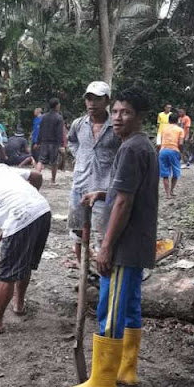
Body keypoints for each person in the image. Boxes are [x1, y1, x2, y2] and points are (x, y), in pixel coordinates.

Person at [65, 87, 158, 387]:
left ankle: (103, 379)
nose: (118, 117)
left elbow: (124, 204)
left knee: (111, 308)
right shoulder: (141, 146)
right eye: (116, 111)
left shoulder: (130, 149)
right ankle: (126, 369)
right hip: (139, 241)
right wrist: (102, 194)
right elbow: (127, 191)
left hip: (125, 244)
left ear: (140, 117)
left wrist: (105, 247)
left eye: (125, 112)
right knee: (130, 305)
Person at [0, 156, 50, 334]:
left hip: (20, 216)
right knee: (26, 263)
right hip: (42, 209)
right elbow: (36, 176)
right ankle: (19, 304)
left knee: (7, 272)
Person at [67, 81, 121, 266]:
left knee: (103, 233)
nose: (92, 103)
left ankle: (102, 271)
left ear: (107, 101)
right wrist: (80, 156)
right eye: (89, 99)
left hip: (104, 189)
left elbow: (124, 150)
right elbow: (72, 142)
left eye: (97, 99)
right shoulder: (78, 124)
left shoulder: (116, 126)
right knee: (78, 231)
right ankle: (84, 269)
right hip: (80, 186)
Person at [36, 98, 64, 184]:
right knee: (54, 162)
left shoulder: (44, 117)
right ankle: (53, 180)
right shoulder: (59, 117)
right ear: (57, 105)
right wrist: (61, 145)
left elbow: (40, 130)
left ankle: (35, 178)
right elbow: (59, 132)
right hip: (54, 143)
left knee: (41, 160)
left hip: (44, 141)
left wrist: (38, 142)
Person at [158, 112, 184, 198]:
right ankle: (172, 190)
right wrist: (181, 153)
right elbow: (180, 143)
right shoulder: (180, 130)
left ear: (169, 120)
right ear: (178, 120)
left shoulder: (164, 129)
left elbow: (160, 141)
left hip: (163, 150)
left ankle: (167, 194)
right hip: (174, 150)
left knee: (165, 173)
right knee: (176, 172)